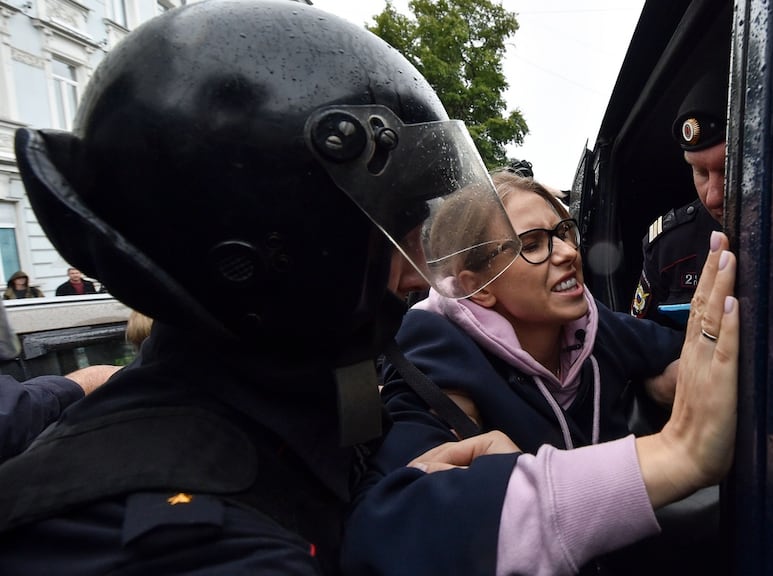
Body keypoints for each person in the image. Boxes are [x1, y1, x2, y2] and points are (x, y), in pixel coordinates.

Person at [0, 1, 523, 572]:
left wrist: (396, 501)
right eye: (398, 228)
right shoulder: (178, 543)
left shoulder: (287, 401)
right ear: (289, 251)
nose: (420, 266)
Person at [341, 170, 739, 574]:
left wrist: (661, 383)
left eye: (564, 231)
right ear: (478, 286)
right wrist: (676, 449)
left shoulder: (591, 324)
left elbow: (680, 356)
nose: (566, 252)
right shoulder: (436, 351)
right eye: (532, 245)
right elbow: (393, 524)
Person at [631, 66, 727, 328]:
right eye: (701, 172)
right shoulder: (669, 247)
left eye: (729, 170)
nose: (713, 198)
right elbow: (640, 346)